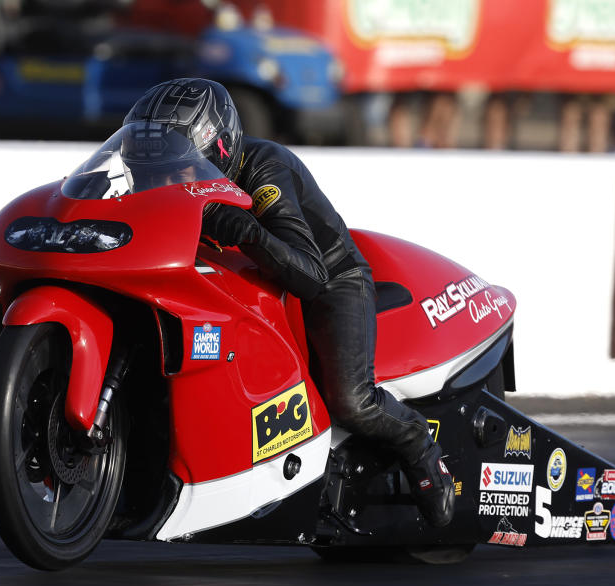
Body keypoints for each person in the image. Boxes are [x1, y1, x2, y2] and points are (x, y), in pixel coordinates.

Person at [123, 78, 454, 527]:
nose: (163, 181)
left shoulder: (263, 169)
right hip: (255, 280)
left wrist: (245, 229)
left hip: (332, 279)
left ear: (217, 149)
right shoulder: (164, 184)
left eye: (175, 169)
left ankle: (421, 448)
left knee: (351, 401)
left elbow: (311, 274)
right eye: (152, 170)